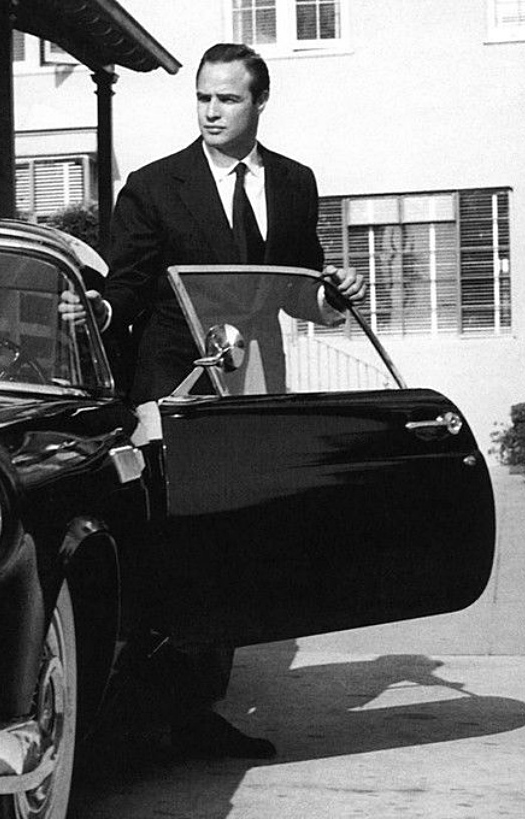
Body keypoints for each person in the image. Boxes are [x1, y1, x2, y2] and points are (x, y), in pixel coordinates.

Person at [60, 42, 367, 759]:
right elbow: (127, 285)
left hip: (256, 382)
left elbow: (299, 283)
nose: (210, 110)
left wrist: (332, 297)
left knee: (233, 542)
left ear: (259, 101)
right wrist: (98, 312)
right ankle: (135, 705)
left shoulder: (294, 184)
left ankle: (197, 710)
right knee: (170, 537)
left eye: (226, 98)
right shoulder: (155, 184)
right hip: (174, 386)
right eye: (202, 97)